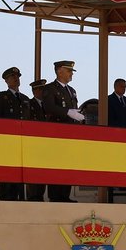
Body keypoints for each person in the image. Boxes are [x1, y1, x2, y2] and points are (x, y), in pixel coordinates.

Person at [42, 60, 83, 202]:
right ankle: (55, 196)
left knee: (68, 165)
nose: (72, 74)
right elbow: (49, 107)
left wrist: (78, 116)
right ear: (60, 71)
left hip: (70, 134)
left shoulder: (71, 91)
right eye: (69, 71)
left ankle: (65, 195)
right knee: (55, 164)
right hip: (55, 133)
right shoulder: (49, 88)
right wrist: (68, 112)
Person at [0, 66, 31, 200]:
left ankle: (20, 197)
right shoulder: (2, 97)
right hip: (7, 142)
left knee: (20, 172)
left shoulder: (25, 99)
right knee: (7, 173)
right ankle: (6, 198)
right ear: (6, 81)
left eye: (17, 76)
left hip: (21, 142)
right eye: (12, 77)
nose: (16, 79)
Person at [26, 79, 49, 202]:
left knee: (44, 173)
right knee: (34, 173)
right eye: (41, 90)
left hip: (46, 145)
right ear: (35, 91)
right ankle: (34, 197)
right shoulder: (29, 104)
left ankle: (40, 195)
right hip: (34, 145)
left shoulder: (48, 105)